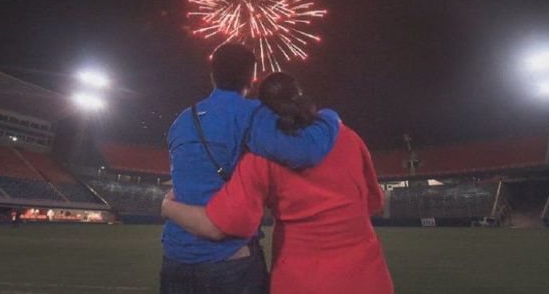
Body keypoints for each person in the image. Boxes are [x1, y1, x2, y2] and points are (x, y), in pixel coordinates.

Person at [162, 72, 394, 294]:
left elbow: (224, 224)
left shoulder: (260, 157)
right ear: (301, 97)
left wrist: (168, 206)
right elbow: (374, 203)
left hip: (300, 280)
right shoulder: (347, 137)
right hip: (368, 277)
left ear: (265, 111)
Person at [161, 45, 340, 294]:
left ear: (212, 74)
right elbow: (305, 151)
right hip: (230, 259)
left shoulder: (182, 120)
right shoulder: (252, 114)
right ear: (251, 77)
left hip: (175, 259)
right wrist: (330, 117)